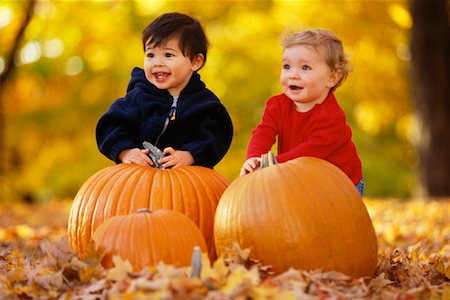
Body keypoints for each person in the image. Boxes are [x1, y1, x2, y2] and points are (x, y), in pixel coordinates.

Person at [96, 12, 233, 169]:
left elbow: (216, 137)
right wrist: (126, 151)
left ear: (195, 61)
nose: (157, 63)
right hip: (138, 177)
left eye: (168, 55)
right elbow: (111, 125)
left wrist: (191, 154)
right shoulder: (138, 96)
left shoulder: (205, 105)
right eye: (151, 55)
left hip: (185, 180)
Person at [240, 29, 364, 196]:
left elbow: (310, 153)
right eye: (287, 66)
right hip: (299, 178)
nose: (293, 75)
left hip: (339, 186)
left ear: (332, 78)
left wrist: (275, 164)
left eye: (305, 67)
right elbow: (263, 132)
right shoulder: (277, 105)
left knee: (329, 221)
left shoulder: (331, 118)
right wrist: (254, 157)